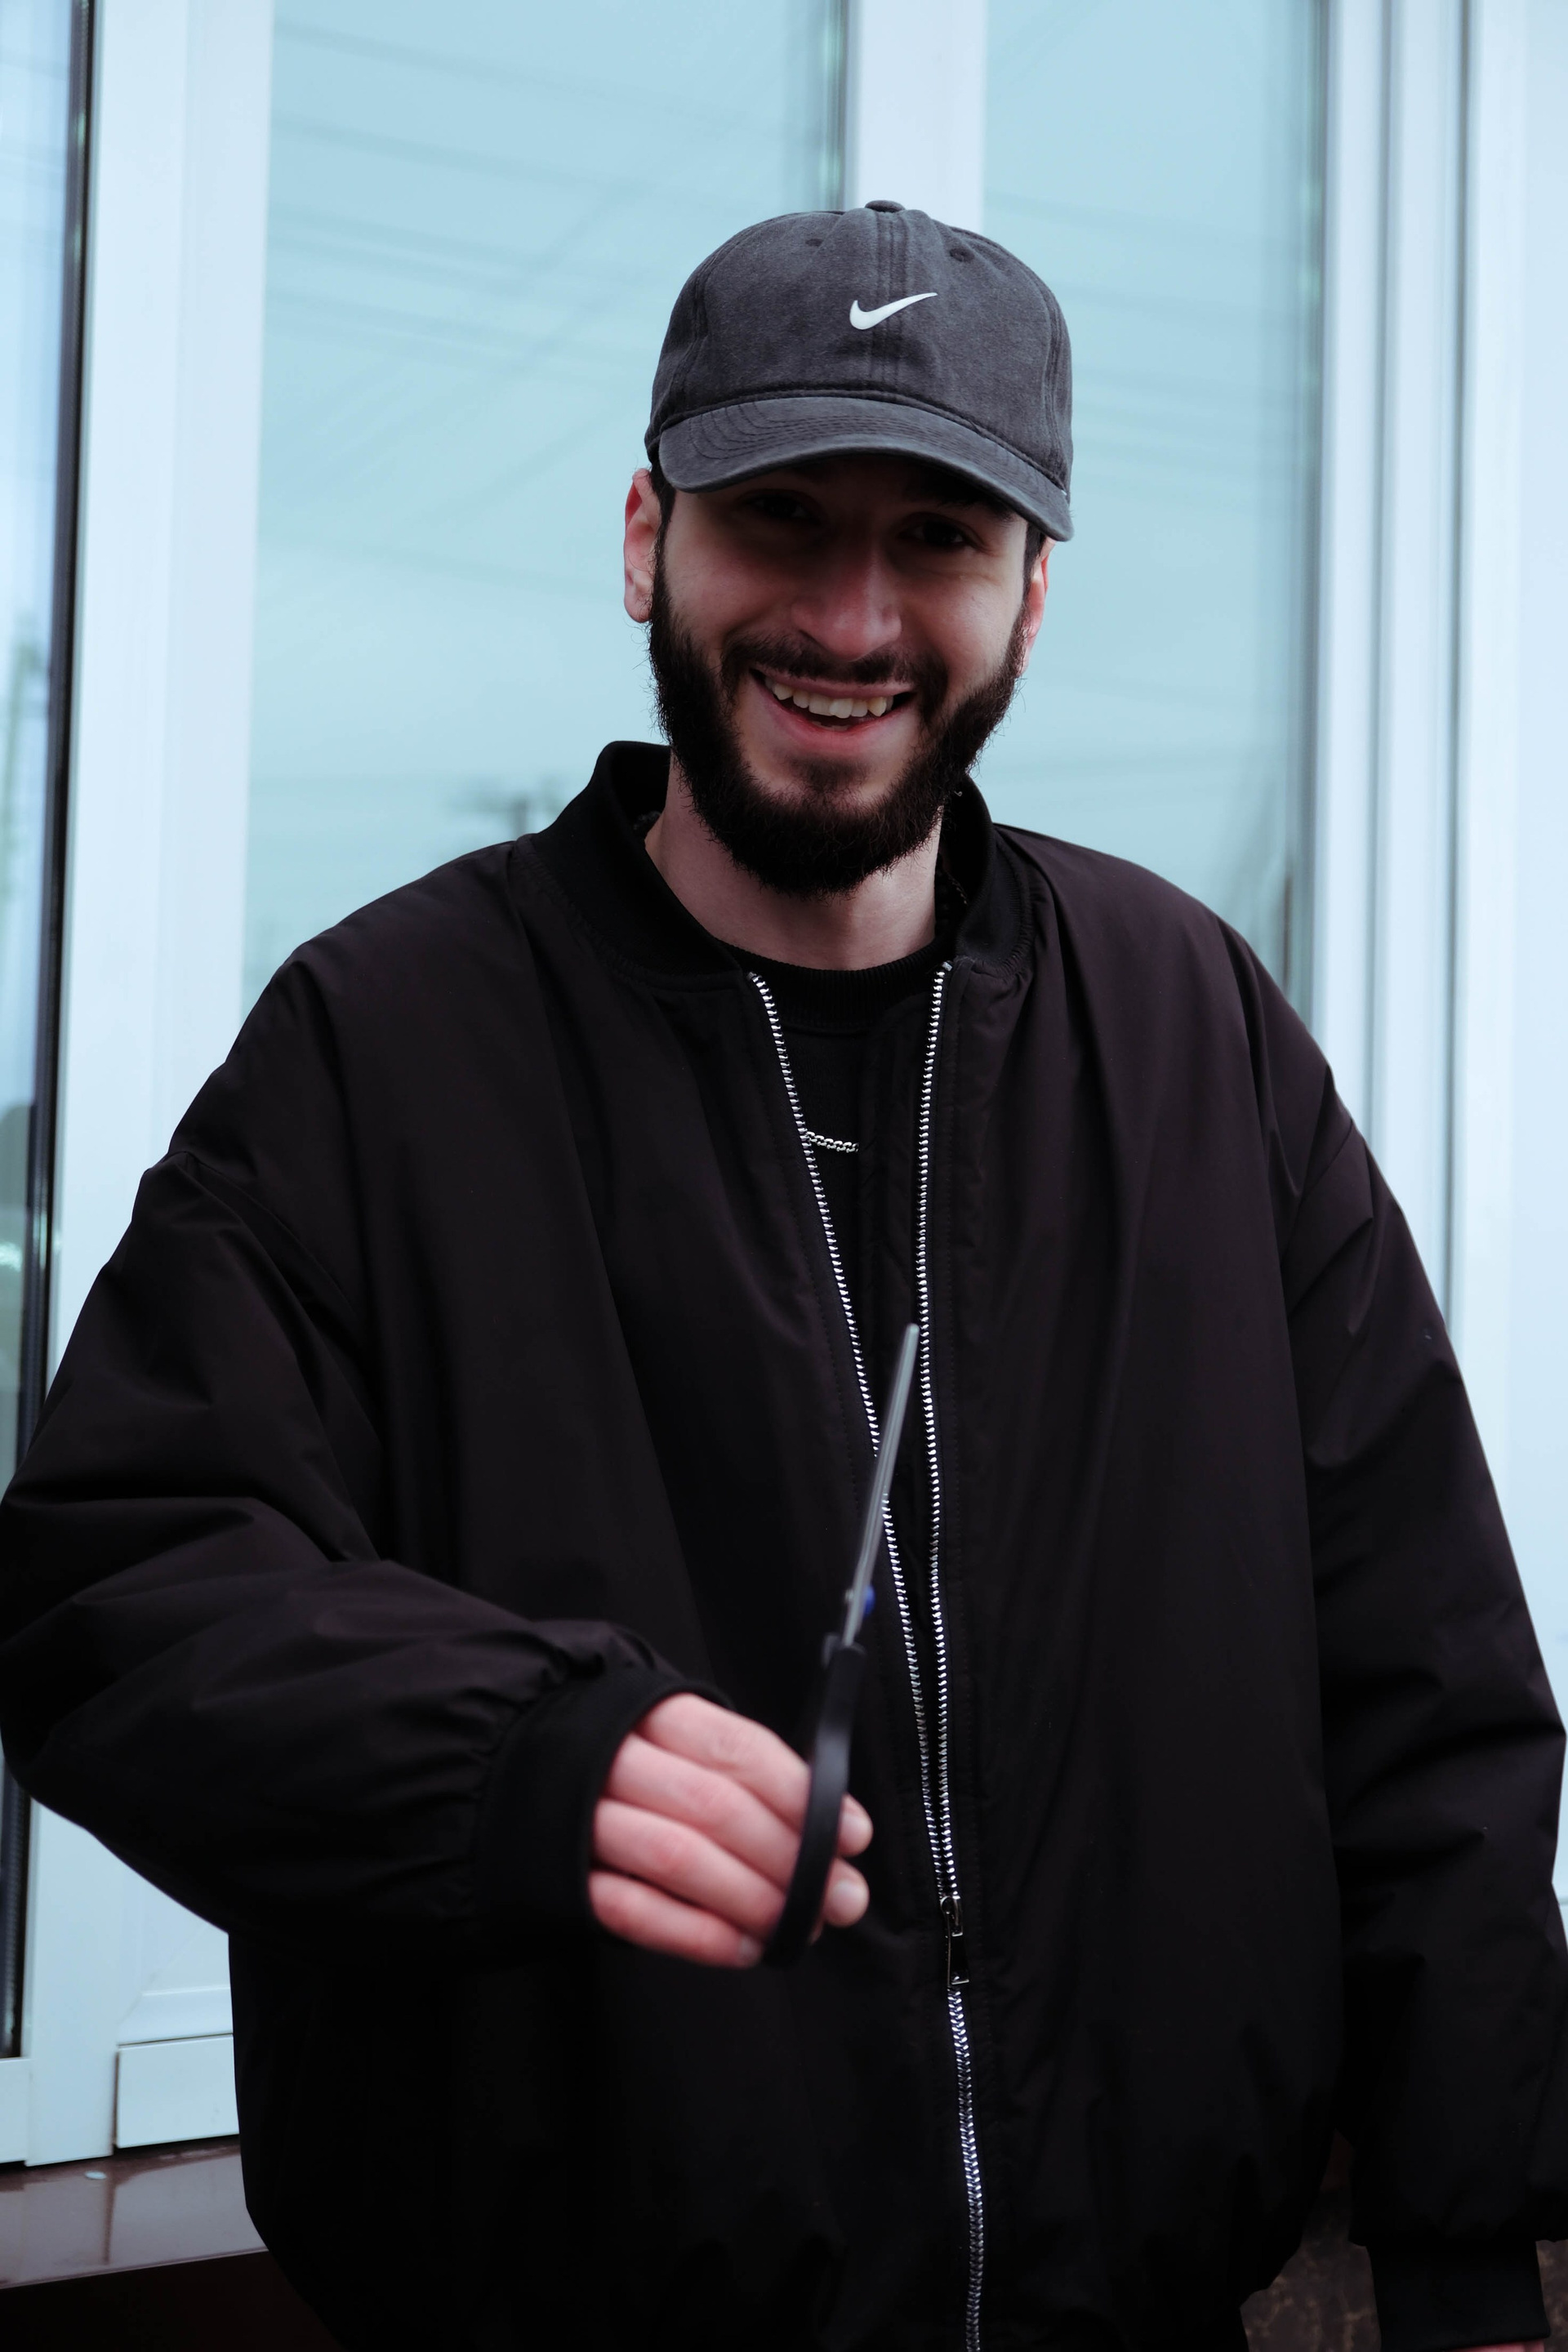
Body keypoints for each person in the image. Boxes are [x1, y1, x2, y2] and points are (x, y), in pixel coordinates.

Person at [0, 201, 1561, 2352]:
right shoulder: (388, 1046)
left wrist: (1470, 2258)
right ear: (649, 538)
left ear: (1032, 592)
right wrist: (506, 1758)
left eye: (938, 538)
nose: (852, 614)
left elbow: (1428, 1681)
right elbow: (118, 1589)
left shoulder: (1189, 1025)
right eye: (781, 518)